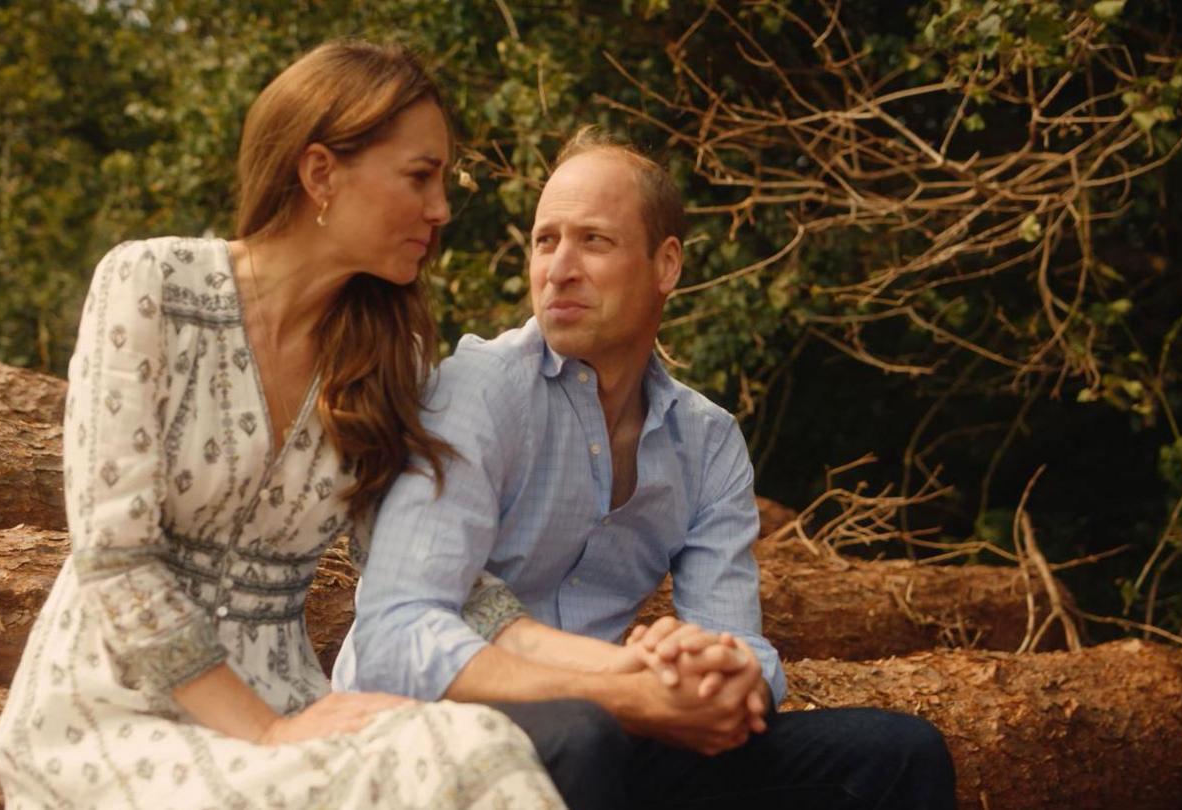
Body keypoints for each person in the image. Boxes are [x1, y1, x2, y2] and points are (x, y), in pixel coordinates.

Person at [0, 40, 567, 809]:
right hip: (106, 715)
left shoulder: (393, 355)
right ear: (321, 171)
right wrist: (262, 731)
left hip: (287, 706)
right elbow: (114, 557)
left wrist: (607, 672)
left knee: (481, 747)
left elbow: (421, 565)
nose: (441, 209)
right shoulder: (150, 284)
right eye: (420, 177)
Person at [336, 127, 958, 809]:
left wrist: (723, 675)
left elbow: (740, 641)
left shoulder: (707, 441)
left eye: (593, 241)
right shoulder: (479, 391)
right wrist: (621, 689)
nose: (559, 268)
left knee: (897, 756)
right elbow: (395, 635)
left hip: (620, 732)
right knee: (584, 733)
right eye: (546, 241)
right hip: (438, 740)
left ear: (666, 266)